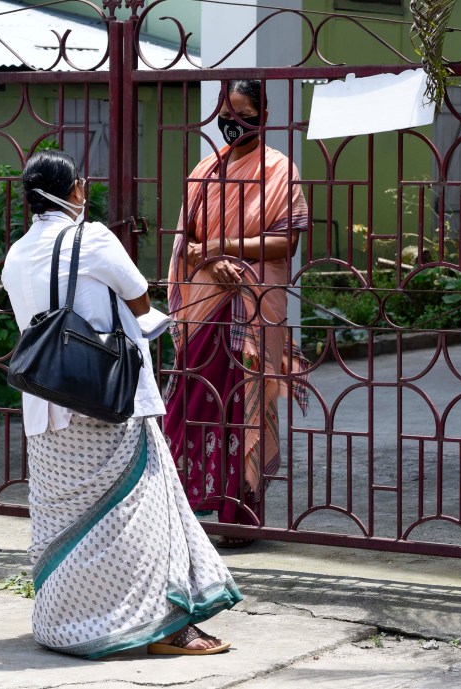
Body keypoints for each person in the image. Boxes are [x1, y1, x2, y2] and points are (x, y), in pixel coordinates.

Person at [1, 150, 241, 658]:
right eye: (82, 186)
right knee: (143, 514)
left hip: (47, 411)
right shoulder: (92, 238)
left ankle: (66, 624)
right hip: (106, 400)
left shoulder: (16, 255)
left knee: (65, 525)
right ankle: (168, 628)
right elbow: (138, 300)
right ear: (74, 192)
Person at [164, 80, 310, 549]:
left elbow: (286, 240)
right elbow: (185, 242)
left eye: (243, 113)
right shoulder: (205, 170)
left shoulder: (278, 170)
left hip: (253, 306)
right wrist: (210, 260)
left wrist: (226, 248)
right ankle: (181, 507)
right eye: (225, 111)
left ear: (262, 116)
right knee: (194, 403)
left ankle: (237, 516)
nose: (232, 122)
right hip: (206, 303)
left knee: (243, 406)